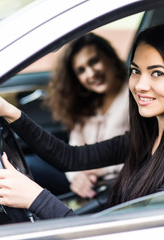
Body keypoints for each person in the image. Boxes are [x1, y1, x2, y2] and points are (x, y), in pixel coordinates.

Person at [0, 23, 164, 219]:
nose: (140, 85)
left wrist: (36, 198)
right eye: (135, 71)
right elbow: (70, 158)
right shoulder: (152, 134)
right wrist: (9, 111)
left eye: (157, 73)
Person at [26, 33, 129, 198]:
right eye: (81, 70)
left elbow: (146, 152)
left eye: (94, 61)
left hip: (117, 181)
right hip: (82, 178)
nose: (90, 74)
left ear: (110, 57)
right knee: (27, 164)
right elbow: (73, 149)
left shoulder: (134, 96)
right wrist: (77, 177)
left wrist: (100, 170)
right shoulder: (86, 102)